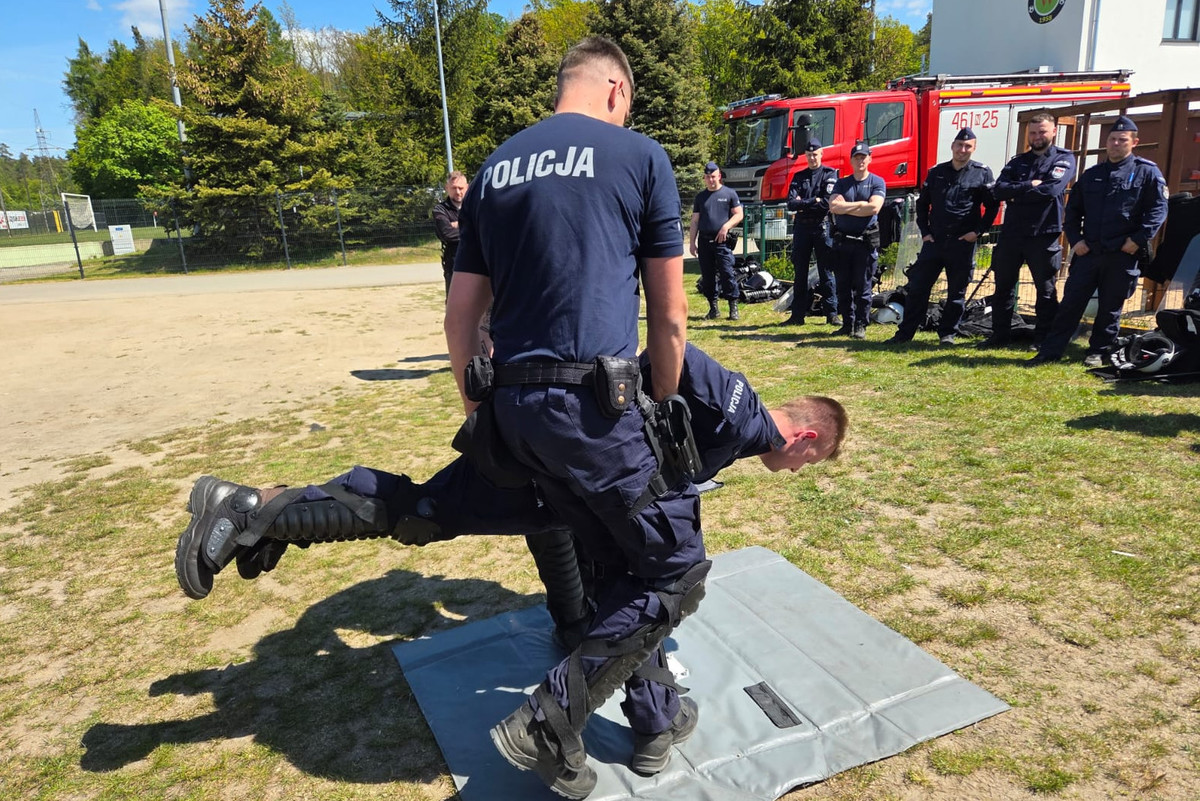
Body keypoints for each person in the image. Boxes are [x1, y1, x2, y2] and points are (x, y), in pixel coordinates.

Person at [173, 343, 850, 647]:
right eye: (808, 462)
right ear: (809, 437)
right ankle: (254, 512)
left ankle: (269, 513)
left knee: (483, 520)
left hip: (555, 476)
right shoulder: (745, 413)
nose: (795, 472)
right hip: (547, 458)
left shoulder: (736, 435)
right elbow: (675, 356)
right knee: (420, 515)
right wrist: (637, 419)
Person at [443, 37, 701, 798]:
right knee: (673, 567)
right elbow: (670, 312)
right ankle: (553, 717)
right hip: (597, 403)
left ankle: (653, 719)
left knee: (616, 555)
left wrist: (478, 412)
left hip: (515, 406)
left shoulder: (494, 168)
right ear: (617, 91)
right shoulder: (641, 156)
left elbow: (461, 316)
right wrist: (665, 405)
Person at [1027, 116, 1168, 367]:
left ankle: (1098, 351)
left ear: (1134, 142)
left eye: (1122, 140)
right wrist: (1076, 240)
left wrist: (1137, 241)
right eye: (1112, 139)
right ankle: (1051, 350)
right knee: (1071, 303)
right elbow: (1073, 212)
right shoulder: (1092, 174)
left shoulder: (1147, 173)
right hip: (1089, 252)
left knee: (1110, 307)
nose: (1115, 144)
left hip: (1122, 252)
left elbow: (1157, 211)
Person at [887, 128, 999, 346]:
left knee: (956, 293)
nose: (963, 150)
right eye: (959, 145)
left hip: (962, 244)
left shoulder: (982, 173)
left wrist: (977, 232)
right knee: (918, 288)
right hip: (935, 242)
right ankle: (905, 333)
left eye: (968, 146)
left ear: (973, 149)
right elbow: (922, 205)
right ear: (952, 146)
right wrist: (925, 232)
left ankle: (948, 334)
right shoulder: (937, 172)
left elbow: (993, 207)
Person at [980, 112, 1076, 349]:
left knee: (1044, 290)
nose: (1037, 136)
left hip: (1043, 233)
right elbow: (998, 191)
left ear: (1053, 131)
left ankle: (1043, 339)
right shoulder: (1017, 161)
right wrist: (1026, 186)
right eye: (1032, 132)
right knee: (1002, 288)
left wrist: (1016, 194)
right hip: (1012, 234)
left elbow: (1051, 190)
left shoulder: (1063, 159)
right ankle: (999, 336)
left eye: (1042, 131)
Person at [828, 141, 886, 339]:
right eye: (856, 157)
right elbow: (834, 207)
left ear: (869, 159)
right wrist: (861, 204)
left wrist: (850, 206)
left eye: (864, 157)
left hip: (864, 243)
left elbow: (874, 208)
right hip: (843, 243)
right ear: (851, 160)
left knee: (863, 288)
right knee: (843, 286)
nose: (860, 161)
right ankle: (847, 323)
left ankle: (861, 324)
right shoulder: (842, 183)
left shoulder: (877, 182)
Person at [783, 139, 840, 327]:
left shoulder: (829, 174)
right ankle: (797, 315)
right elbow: (791, 204)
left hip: (821, 227)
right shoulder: (799, 176)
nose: (812, 158)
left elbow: (826, 202)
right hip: (802, 229)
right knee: (800, 272)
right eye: (809, 155)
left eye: (815, 154)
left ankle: (831, 314)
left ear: (821, 154)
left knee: (826, 272)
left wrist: (804, 203)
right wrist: (811, 201)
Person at [690, 162, 745, 320]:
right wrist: (692, 242)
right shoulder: (700, 197)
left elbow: (738, 214)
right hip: (704, 241)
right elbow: (695, 221)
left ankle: (733, 308)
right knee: (708, 276)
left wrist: (725, 227)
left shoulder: (729, 194)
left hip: (721, 242)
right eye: (707, 177)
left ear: (719, 176)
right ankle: (713, 308)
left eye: (713, 177)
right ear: (704, 178)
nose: (711, 180)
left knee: (727, 274)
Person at [432, 171, 468, 295]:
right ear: (447, 188)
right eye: (454, 188)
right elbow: (447, 233)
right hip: (454, 265)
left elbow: (487, 228)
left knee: (484, 309)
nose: (458, 192)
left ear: (467, 187)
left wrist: (458, 224)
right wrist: (472, 227)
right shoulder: (440, 209)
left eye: (461, 188)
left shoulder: (476, 207)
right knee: (455, 308)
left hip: (479, 264)